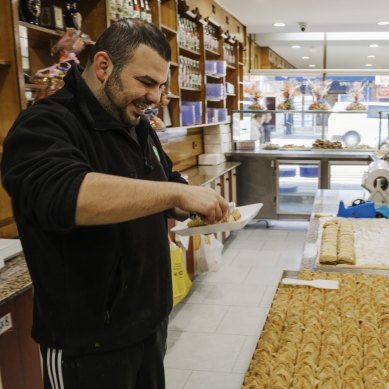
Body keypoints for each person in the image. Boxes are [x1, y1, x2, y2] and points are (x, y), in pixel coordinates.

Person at [1, 19, 228, 389]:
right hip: (85, 343)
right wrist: (175, 195)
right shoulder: (43, 124)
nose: (155, 97)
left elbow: (164, 181)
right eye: (146, 82)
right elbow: (68, 195)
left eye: (160, 86)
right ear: (104, 66)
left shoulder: (137, 125)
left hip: (147, 326)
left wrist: (186, 201)